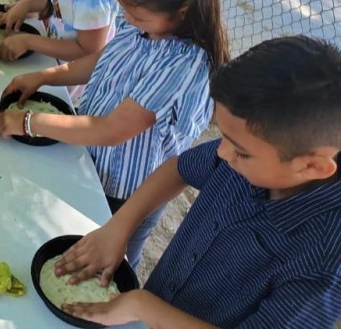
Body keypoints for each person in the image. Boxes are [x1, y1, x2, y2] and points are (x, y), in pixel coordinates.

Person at [56, 36, 341, 328]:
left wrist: (143, 306)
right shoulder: (251, 154)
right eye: (223, 137)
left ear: (312, 166)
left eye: (240, 151)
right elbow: (177, 169)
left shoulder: (323, 263)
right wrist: (118, 228)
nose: (221, 152)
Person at [0, 0, 230, 268]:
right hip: (91, 161)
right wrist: (43, 77)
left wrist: (31, 122)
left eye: (138, 16)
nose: (128, 20)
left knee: (110, 262)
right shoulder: (144, 22)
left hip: (126, 191)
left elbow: (112, 129)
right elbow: (102, 60)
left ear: (181, 12)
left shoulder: (185, 63)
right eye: (127, 12)